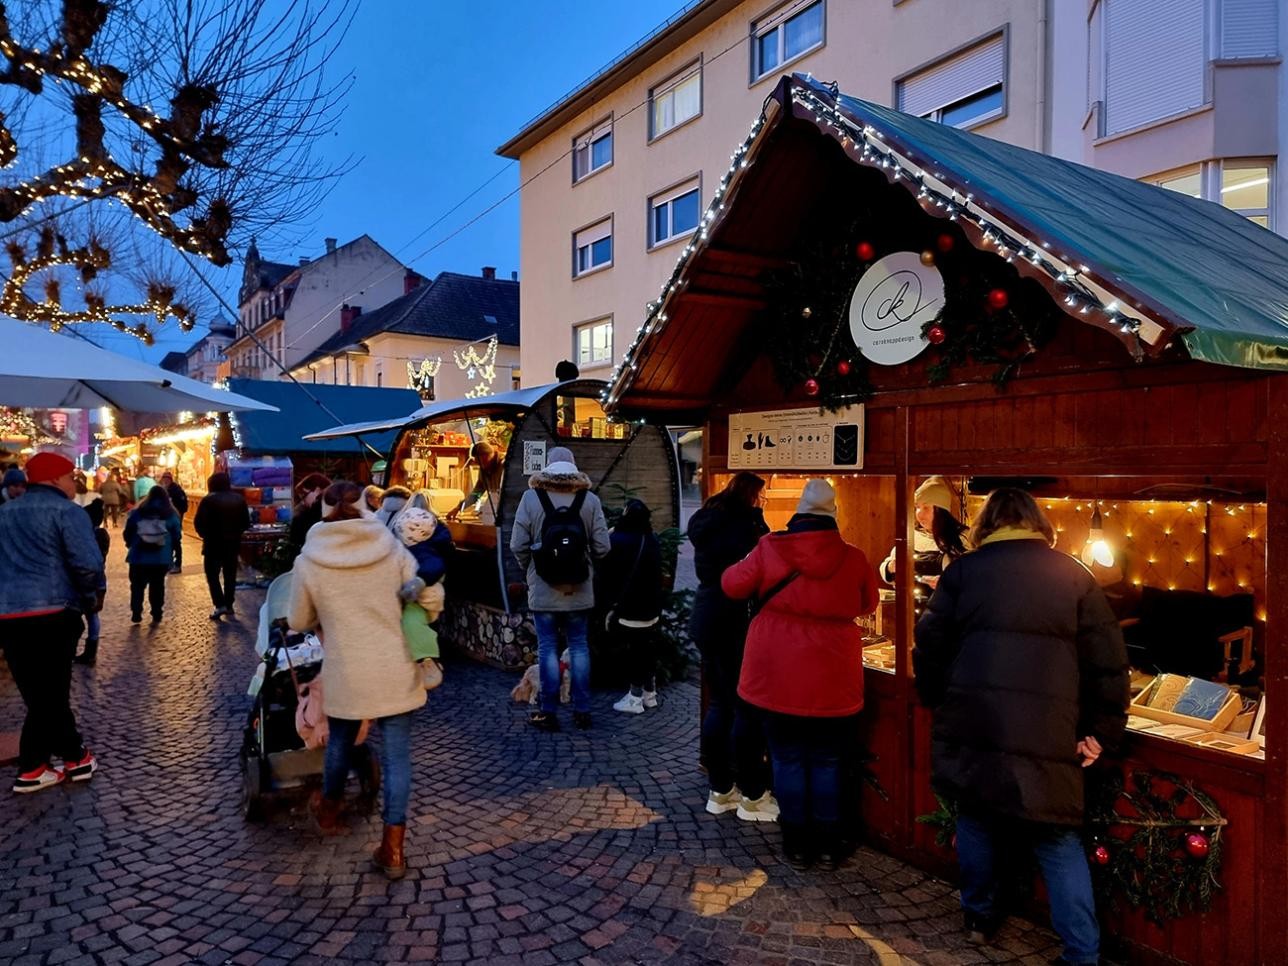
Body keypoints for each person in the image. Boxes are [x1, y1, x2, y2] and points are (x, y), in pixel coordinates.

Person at [913, 488, 1129, 965]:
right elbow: (1108, 664)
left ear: (986, 524)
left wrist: (936, 698)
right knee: (1058, 837)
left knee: (976, 817)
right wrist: (1103, 732)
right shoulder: (1075, 576)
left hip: (976, 722)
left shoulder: (964, 573)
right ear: (1038, 525)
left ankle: (979, 918)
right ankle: (1082, 953)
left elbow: (928, 645)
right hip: (1051, 730)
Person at [722, 479, 879, 869]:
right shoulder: (853, 557)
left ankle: (795, 843)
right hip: (833, 674)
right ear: (833, 517)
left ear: (799, 513)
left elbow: (731, 585)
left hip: (776, 673)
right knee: (828, 760)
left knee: (787, 758)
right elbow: (869, 601)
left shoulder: (770, 547)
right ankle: (827, 845)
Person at [288, 481, 434, 880]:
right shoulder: (390, 548)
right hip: (394, 666)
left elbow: (299, 620)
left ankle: (330, 809)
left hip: (346, 669)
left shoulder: (310, 558)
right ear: (365, 508)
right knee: (398, 756)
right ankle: (393, 849)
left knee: (340, 741)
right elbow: (421, 595)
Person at [0, 451, 103, 793]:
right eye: (71, 477)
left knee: (39, 693)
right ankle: (37, 766)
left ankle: (71, 758)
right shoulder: (67, 512)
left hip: (10, 615)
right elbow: (88, 564)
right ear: (56, 479)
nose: (75, 483)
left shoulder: (4, 513)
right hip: (54, 612)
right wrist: (91, 600)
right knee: (50, 695)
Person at [687, 471, 776, 823]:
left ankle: (720, 789)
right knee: (744, 708)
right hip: (733, 622)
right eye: (760, 497)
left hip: (706, 616)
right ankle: (752, 794)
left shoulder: (710, 518)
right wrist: (758, 520)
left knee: (721, 705)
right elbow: (764, 561)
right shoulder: (742, 527)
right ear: (751, 496)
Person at [510, 446, 610, 731]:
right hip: (579, 588)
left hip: (543, 588)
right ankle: (582, 710)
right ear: (574, 467)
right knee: (578, 646)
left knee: (548, 649)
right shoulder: (589, 499)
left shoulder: (531, 497)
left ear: (547, 467)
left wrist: (532, 568)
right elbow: (603, 547)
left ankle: (549, 711)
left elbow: (517, 544)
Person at [598, 499, 665, 715]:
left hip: (628, 607)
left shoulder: (617, 539)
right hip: (652, 607)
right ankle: (649, 693)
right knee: (646, 648)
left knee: (635, 651)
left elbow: (606, 572)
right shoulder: (652, 540)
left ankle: (635, 699)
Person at [880, 476, 970, 614]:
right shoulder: (912, 536)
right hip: (911, 615)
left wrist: (946, 584)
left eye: (926, 508)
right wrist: (890, 567)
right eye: (917, 507)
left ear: (941, 510)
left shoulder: (963, 538)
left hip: (948, 617)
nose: (919, 514)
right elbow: (887, 566)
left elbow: (974, 579)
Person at [194, 472, 250, 620]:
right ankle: (229, 604)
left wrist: (205, 534)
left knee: (212, 576)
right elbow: (246, 522)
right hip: (232, 545)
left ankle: (220, 605)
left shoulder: (208, 500)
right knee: (230, 575)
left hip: (213, 545)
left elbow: (199, 522)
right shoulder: (239, 499)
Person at [123, 485, 182, 623]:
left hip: (138, 557)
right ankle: (157, 612)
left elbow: (128, 531)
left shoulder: (138, 512)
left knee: (137, 586)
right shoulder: (170, 514)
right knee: (157, 585)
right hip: (161, 558)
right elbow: (177, 535)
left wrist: (130, 543)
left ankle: (136, 612)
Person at [73, 479, 108, 667]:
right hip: (96, 581)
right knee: (92, 615)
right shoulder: (101, 535)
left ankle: (83, 650)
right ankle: (91, 650)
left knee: (77, 614)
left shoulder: (82, 535)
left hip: (81, 581)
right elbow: (99, 562)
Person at [446, 441, 503, 524]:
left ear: (488, 455)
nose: (480, 465)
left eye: (481, 461)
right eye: (478, 462)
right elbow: (476, 494)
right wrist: (459, 508)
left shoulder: (505, 465)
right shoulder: (484, 468)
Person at [288, 473, 331, 551]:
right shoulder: (338, 514)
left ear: (317, 490)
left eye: (304, 495)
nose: (303, 501)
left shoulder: (303, 518)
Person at [159, 472, 189, 573]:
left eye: (166, 479)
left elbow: (182, 506)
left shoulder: (174, 490)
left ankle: (177, 564)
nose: (165, 481)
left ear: (170, 479)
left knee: (175, 542)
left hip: (174, 519)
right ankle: (170, 563)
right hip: (170, 519)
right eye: (164, 479)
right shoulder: (168, 489)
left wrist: (178, 515)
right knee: (170, 542)